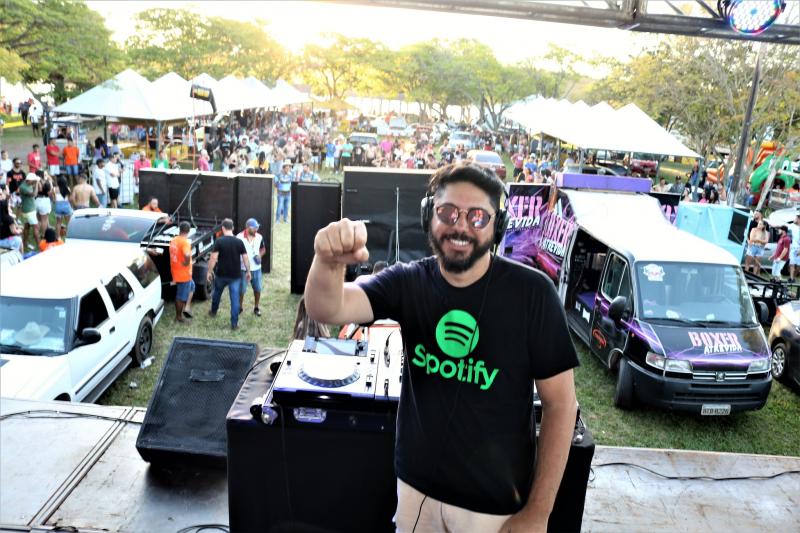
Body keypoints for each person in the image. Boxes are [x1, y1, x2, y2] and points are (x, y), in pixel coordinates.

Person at [304, 163, 579, 532]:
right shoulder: (408, 281)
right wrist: (327, 261)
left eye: (478, 216)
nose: (461, 225)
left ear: (497, 226)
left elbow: (561, 405)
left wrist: (538, 512)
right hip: (416, 491)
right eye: (447, 212)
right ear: (428, 216)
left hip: (494, 505)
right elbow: (329, 307)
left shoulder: (532, 294)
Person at [207, 218, 251, 330]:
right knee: (235, 300)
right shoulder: (239, 242)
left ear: (222, 228)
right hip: (235, 276)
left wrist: (209, 271)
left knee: (216, 294)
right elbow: (245, 258)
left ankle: (213, 312)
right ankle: (234, 324)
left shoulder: (219, 241)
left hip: (221, 274)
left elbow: (213, 258)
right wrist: (248, 271)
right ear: (232, 228)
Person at [237, 218, 266, 317]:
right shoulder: (239, 237)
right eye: (255, 228)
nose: (257, 229)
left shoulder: (259, 237)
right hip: (243, 269)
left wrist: (260, 255)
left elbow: (263, 249)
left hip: (256, 268)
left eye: (257, 227)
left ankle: (256, 307)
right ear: (248, 228)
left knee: (257, 288)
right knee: (241, 290)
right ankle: (240, 307)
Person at [170, 221, 195, 323]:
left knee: (192, 286)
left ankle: (187, 307)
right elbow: (187, 255)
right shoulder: (185, 242)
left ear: (180, 229)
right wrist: (186, 263)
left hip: (176, 271)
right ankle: (178, 317)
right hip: (183, 274)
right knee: (180, 296)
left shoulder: (174, 240)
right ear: (188, 231)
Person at [19, 173, 40, 249]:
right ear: (29, 180)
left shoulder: (27, 184)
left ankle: (25, 243)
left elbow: (39, 189)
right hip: (29, 211)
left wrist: (36, 182)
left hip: (27, 209)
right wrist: (37, 183)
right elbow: (34, 194)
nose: (34, 181)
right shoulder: (24, 187)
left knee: (27, 227)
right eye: (33, 180)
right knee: (36, 227)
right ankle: (39, 245)